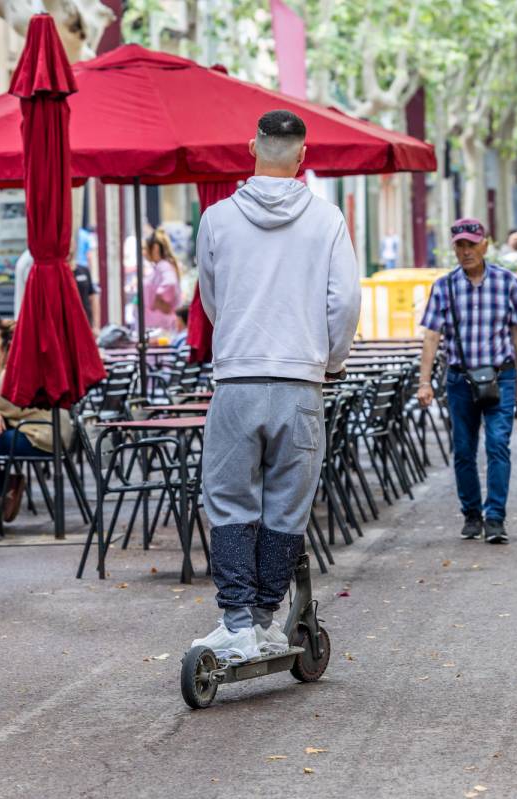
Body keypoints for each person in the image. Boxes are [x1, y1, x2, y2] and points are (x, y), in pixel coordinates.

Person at [192, 109, 361, 661]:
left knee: (229, 501)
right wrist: (329, 359)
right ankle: (265, 619)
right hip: (301, 382)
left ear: (252, 148)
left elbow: (212, 300)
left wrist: (241, 338)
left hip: (238, 377)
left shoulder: (216, 220)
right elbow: (345, 303)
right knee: (287, 506)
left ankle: (237, 619)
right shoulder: (327, 220)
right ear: (302, 156)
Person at [417, 218, 517, 544]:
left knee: (498, 445)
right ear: (454, 248)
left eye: (471, 244)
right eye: (460, 245)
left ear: (485, 245)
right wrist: (424, 382)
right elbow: (431, 337)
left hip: (502, 376)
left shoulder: (507, 282)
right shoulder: (444, 286)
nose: (466, 251)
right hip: (460, 380)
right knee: (464, 450)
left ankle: (495, 517)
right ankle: (471, 514)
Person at [0, 321, 72, 526]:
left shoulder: (14, 373)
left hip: (42, 436)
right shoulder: (28, 366)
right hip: (53, 432)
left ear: (8, 346)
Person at [142, 228, 182, 334]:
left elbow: (170, 284)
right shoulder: (160, 267)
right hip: (158, 328)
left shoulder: (163, 266)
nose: (143, 253)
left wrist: (157, 301)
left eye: (145, 249)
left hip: (161, 329)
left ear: (154, 248)